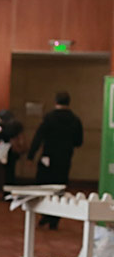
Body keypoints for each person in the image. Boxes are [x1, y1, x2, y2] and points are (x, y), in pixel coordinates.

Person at [30, 90, 85, 229]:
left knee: (44, 185)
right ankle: (55, 218)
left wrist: (31, 155)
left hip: (48, 158)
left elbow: (38, 136)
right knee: (60, 187)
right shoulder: (75, 119)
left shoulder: (49, 117)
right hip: (64, 159)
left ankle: (45, 213)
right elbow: (79, 141)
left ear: (55, 101)